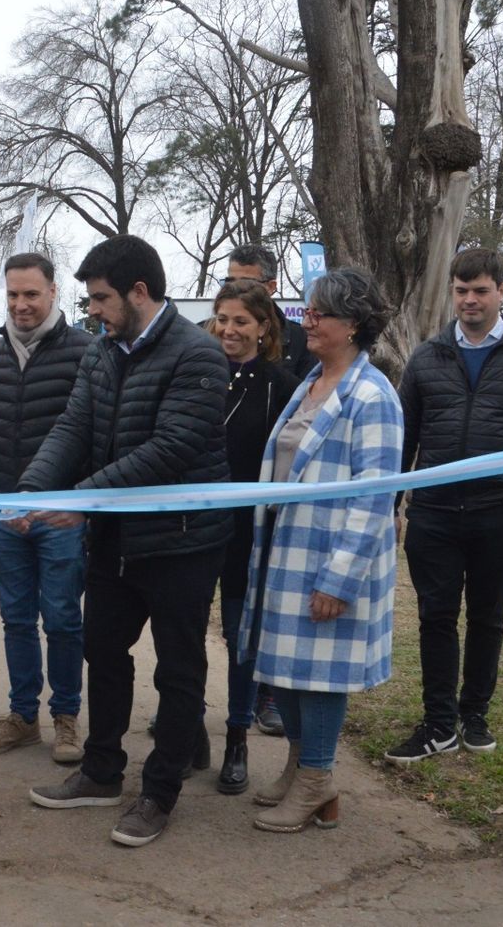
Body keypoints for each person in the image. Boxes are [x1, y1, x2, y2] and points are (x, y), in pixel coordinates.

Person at [22, 234, 231, 849]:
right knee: (103, 651)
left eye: (102, 299)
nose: (93, 311)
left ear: (140, 292)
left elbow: (169, 451)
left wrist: (80, 500)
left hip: (181, 542)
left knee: (179, 666)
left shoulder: (199, 355)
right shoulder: (103, 349)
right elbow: (74, 425)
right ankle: (102, 770)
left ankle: (161, 790)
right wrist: (35, 491)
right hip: (116, 540)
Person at [386, 248, 503, 765]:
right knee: (435, 616)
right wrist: (394, 504)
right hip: (433, 512)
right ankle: (437, 722)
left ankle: (475, 714)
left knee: (488, 616)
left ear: (501, 292)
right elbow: (403, 439)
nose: (469, 300)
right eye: (461, 290)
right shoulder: (427, 357)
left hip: (501, 510)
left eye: (480, 290)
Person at [237, 268, 402, 832]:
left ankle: (317, 778)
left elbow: (376, 496)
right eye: (307, 312)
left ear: (353, 324)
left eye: (319, 314)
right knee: (283, 671)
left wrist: (339, 579)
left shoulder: (372, 395)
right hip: (286, 553)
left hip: (329, 558)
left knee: (320, 676)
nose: (306, 321)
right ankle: (301, 769)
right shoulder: (310, 382)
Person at [0, 252, 94, 763]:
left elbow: (91, 436)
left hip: (59, 514)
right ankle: (22, 716)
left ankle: (66, 718)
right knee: (15, 617)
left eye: (31, 294)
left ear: (53, 292)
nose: (21, 304)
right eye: (13, 294)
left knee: (61, 618)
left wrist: (82, 506)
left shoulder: (86, 352)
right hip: (4, 514)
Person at [202, 280, 302, 795]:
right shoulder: (197, 372)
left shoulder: (282, 386)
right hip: (195, 527)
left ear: (264, 328)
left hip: (249, 534)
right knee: (185, 632)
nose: (229, 330)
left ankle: (237, 737)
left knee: (241, 639)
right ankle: (186, 725)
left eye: (241, 321)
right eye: (222, 319)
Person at [225, 244, 316, 380]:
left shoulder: (301, 339)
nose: (235, 290)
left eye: (246, 283)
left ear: (271, 286)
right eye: (230, 282)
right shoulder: (205, 334)